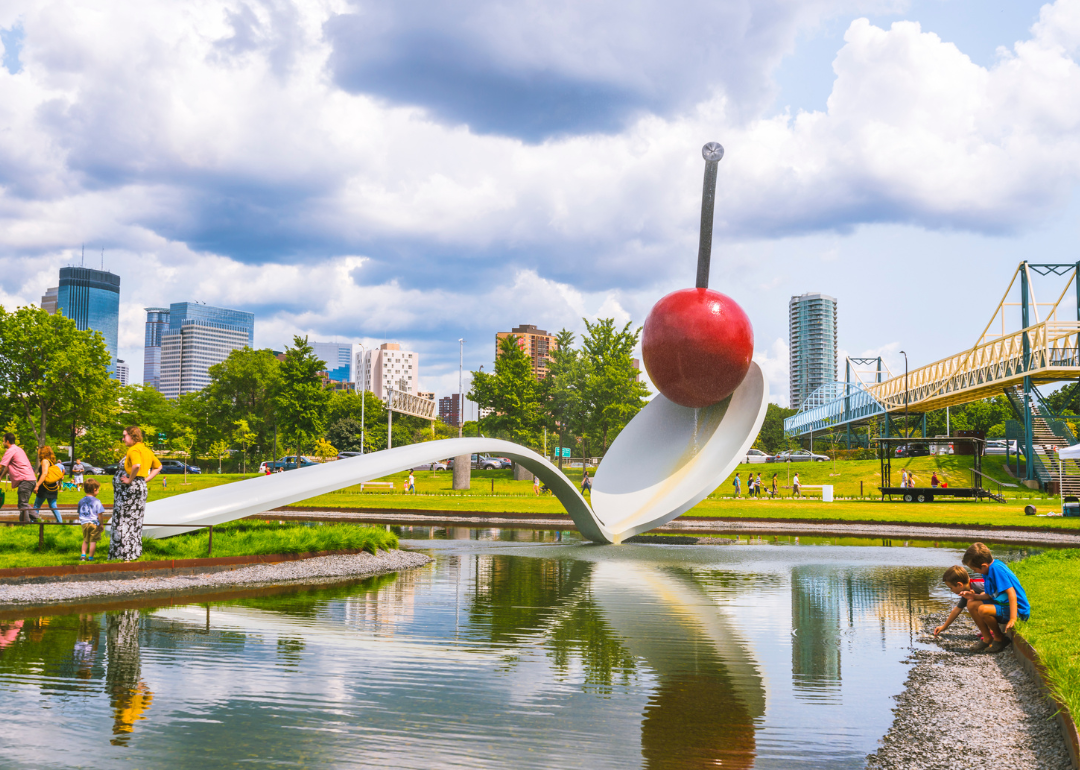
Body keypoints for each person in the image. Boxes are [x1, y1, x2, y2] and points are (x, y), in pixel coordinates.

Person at [961, 542, 1031, 653]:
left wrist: (1013, 619)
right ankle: (987, 637)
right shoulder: (987, 570)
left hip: (1017, 610)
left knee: (983, 609)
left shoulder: (996, 569)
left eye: (974, 569)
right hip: (1003, 605)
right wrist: (973, 596)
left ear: (983, 566)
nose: (974, 572)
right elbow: (989, 595)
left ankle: (999, 638)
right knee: (971, 603)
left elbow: (1011, 593)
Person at [108, 426, 162, 562]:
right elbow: (158, 466)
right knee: (134, 521)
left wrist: (130, 479)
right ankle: (133, 552)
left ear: (133, 436)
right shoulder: (146, 450)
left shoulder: (134, 449)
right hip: (139, 487)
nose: (123, 438)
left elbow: (136, 465)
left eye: (124, 435)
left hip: (128, 491)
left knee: (122, 520)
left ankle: (122, 554)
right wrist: (145, 479)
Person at [933, 565, 986, 639]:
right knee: (972, 602)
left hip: (1002, 606)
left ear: (959, 585)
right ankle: (986, 631)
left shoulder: (978, 585)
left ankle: (990, 632)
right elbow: (957, 609)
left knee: (972, 603)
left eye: (951, 588)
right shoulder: (967, 591)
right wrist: (943, 627)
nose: (951, 590)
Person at [0, 433, 38, 523]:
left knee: (22, 505)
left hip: (25, 480)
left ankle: (25, 525)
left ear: (7, 441)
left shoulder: (10, 450)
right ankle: (39, 520)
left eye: (3, 441)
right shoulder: (18, 449)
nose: (2, 443)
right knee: (24, 504)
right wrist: (1, 477)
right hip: (30, 479)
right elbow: (7, 466)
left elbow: (1, 466)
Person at [33, 445, 65, 523]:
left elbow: (44, 474)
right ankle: (60, 522)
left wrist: (37, 485)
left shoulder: (44, 461)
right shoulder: (50, 461)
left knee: (36, 505)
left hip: (44, 487)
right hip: (52, 487)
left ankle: (32, 522)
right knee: (53, 506)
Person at [78, 478, 106, 562]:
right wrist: (101, 524)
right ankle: (90, 557)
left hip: (84, 523)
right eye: (98, 490)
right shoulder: (97, 501)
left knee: (85, 540)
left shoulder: (81, 501)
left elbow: (79, 512)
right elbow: (100, 514)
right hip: (94, 523)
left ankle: (83, 556)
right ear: (94, 490)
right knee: (93, 541)